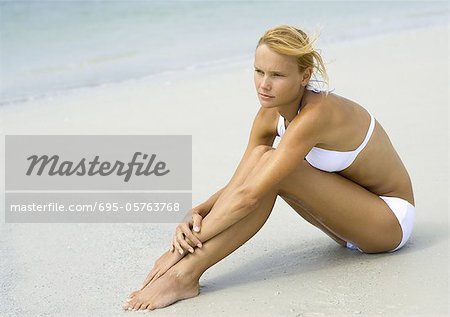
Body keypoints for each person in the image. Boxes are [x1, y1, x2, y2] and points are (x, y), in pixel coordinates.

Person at [123, 24, 415, 311]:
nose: (264, 84)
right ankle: (184, 273)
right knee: (265, 159)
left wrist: (176, 252)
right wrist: (197, 212)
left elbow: (250, 195)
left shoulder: (319, 113)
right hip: (345, 227)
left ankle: (184, 275)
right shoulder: (268, 115)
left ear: (305, 76)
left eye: (277, 75)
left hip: (387, 223)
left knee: (281, 171)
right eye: (259, 71)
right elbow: (243, 182)